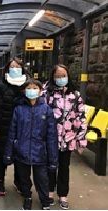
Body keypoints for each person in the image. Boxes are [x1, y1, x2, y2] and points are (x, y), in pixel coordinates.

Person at [4, 79, 58, 210]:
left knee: (42, 179)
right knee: (24, 178)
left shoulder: (46, 110)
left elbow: (52, 136)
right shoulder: (19, 109)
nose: (32, 90)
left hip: (40, 152)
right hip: (21, 151)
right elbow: (12, 133)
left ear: (40, 91)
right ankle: (27, 197)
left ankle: (44, 199)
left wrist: (53, 160)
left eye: (35, 88)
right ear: (24, 91)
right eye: (29, 88)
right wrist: (8, 154)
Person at [45, 64, 87, 209]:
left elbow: (81, 117)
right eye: (58, 76)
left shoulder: (75, 95)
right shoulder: (47, 93)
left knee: (64, 167)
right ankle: (49, 192)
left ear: (68, 76)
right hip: (50, 138)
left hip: (67, 139)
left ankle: (63, 195)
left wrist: (80, 140)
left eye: (63, 75)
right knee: (50, 166)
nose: (61, 78)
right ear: (53, 77)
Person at [0, 57, 28, 196]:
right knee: (2, 157)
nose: (15, 69)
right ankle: (0, 181)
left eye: (18, 66)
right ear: (7, 69)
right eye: (12, 67)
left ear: (22, 69)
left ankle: (18, 181)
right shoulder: (0, 86)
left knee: (20, 157)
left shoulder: (27, 86)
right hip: (3, 128)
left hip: (21, 130)